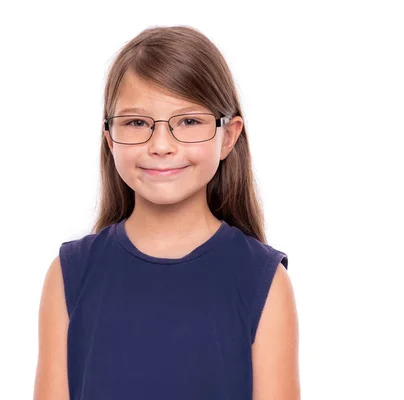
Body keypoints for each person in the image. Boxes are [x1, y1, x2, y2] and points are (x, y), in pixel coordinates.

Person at [34, 25, 300, 400]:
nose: (161, 145)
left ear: (228, 136)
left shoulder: (263, 280)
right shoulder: (69, 274)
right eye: (137, 122)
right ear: (110, 138)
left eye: (189, 121)